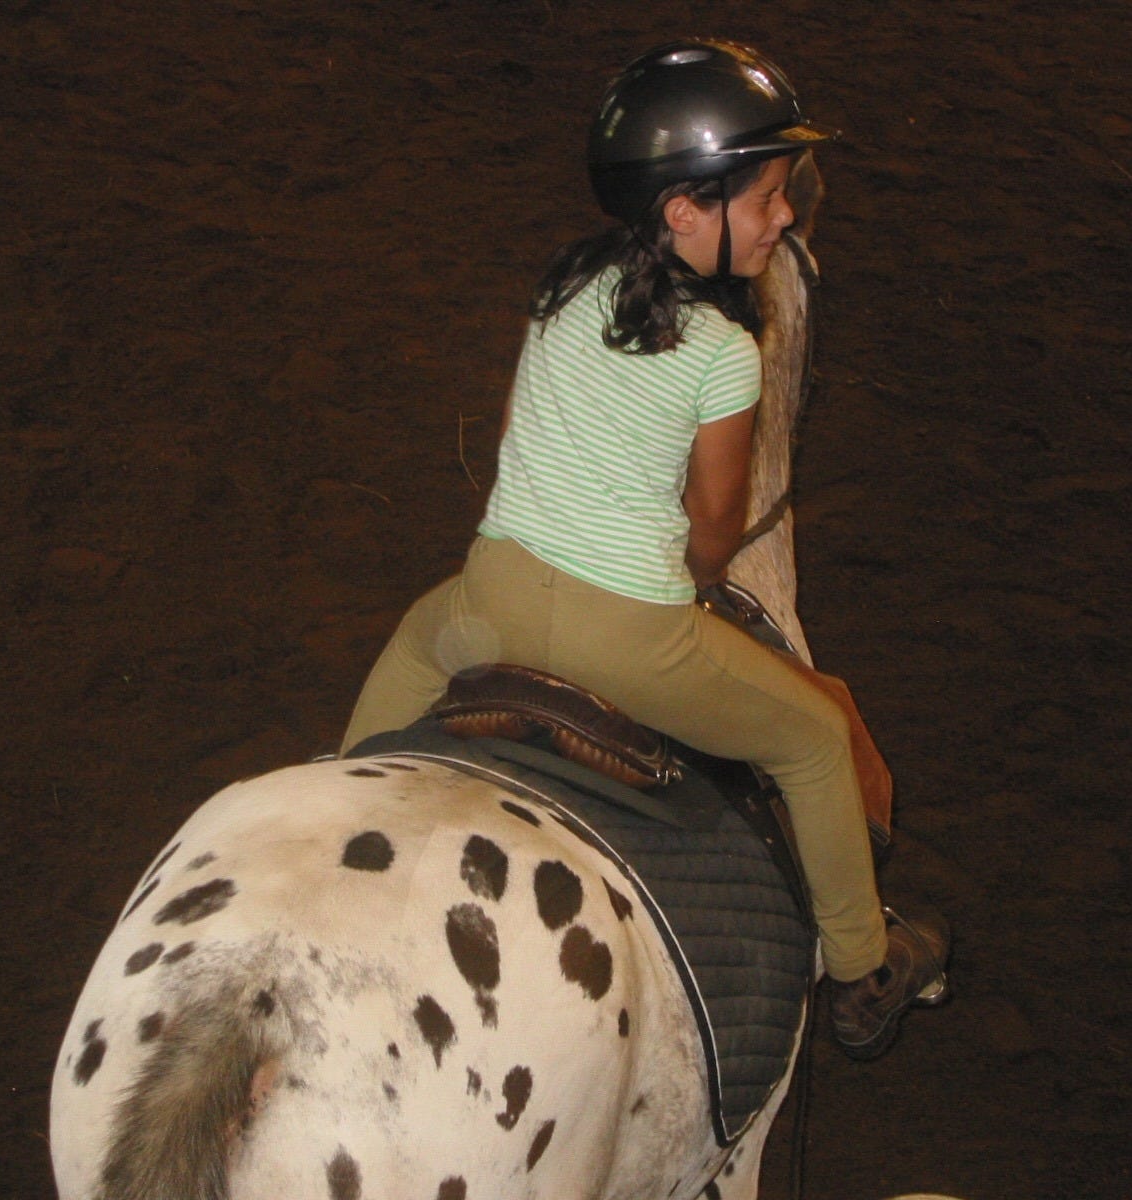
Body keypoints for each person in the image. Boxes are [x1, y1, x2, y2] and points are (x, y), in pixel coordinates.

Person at [340, 38, 947, 1060]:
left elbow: (516, 436)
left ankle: (339, 797)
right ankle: (862, 965)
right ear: (686, 211)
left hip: (488, 595)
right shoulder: (724, 353)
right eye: (766, 198)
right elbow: (713, 528)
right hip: (628, 637)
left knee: (411, 643)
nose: (783, 217)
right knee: (811, 737)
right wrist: (690, 581)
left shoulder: (563, 285)